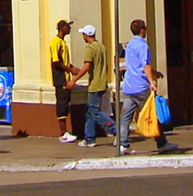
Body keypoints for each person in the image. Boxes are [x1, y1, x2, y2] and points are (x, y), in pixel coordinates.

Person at [117, 18, 171, 156]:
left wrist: (154, 73)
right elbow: (145, 64)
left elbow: (136, 65)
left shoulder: (129, 45)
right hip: (141, 86)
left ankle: (123, 144)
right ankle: (162, 143)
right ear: (142, 30)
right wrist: (151, 81)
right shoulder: (143, 46)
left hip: (129, 86)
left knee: (126, 117)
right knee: (152, 114)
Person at [70, 25, 113, 147]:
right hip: (101, 82)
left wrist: (74, 80)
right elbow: (106, 66)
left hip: (95, 84)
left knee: (94, 111)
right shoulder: (101, 47)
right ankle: (89, 138)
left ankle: (115, 131)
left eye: (83, 34)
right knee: (89, 111)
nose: (82, 36)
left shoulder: (90, 48)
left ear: (86, 35)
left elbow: (87, 66)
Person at [49, 18, 75, 143]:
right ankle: (63, 133)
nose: (69, 29)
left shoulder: (63, 42)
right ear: (62, 28)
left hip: (65, 77)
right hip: (60, 78)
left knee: (65, 104)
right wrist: (69, 70)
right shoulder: (55, 42)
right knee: (62, 104)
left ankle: (65, 132)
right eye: (68, 27)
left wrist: (71, 68)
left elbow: (63, 61)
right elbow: (56, 62)